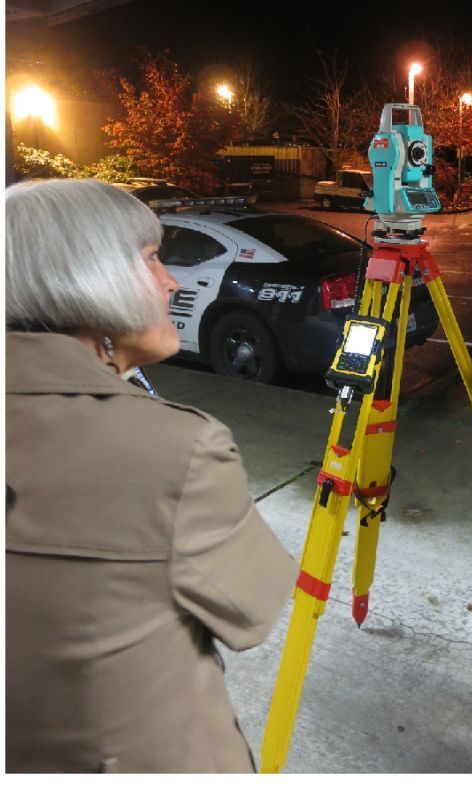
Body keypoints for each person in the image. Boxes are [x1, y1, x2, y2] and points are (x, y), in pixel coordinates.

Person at [5, 178, 299, 773]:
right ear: (89, 279)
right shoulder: (176, 450)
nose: (170, 281)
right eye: (149, 259)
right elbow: (256, 609)